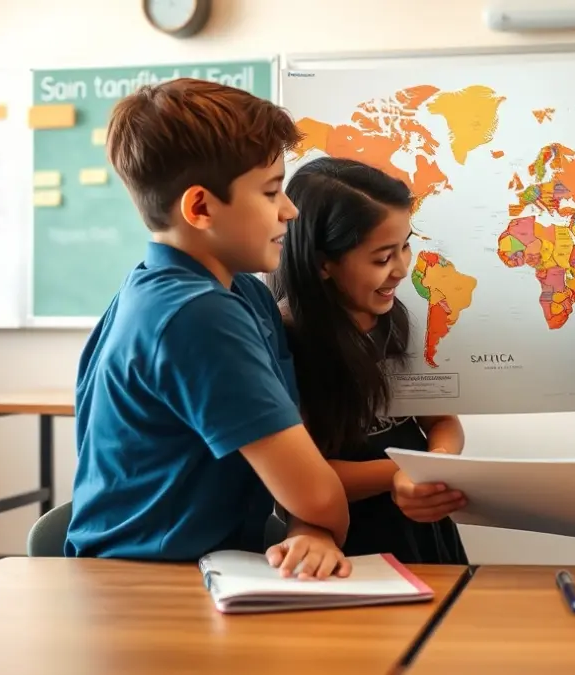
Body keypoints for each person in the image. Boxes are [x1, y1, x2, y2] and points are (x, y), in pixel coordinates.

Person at [65, 78, 352, 579]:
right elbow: (319, 496)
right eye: (271, 191)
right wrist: (316, 519)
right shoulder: (195, 313)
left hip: (220, 567)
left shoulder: (241, 293)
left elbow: (306, 484)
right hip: (140, 582)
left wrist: (311, 529)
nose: (290, 209)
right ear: (200, 208)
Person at [269, 156, 469, 564]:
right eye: (382, 258)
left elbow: (441, 420)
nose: (402, 269)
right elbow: (302, 474)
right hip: (342, 539)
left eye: (405, 246)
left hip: (421, 524)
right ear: (323, 264)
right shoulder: (285, 340)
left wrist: (438, 465)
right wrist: (403, 472)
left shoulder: (396, 319)